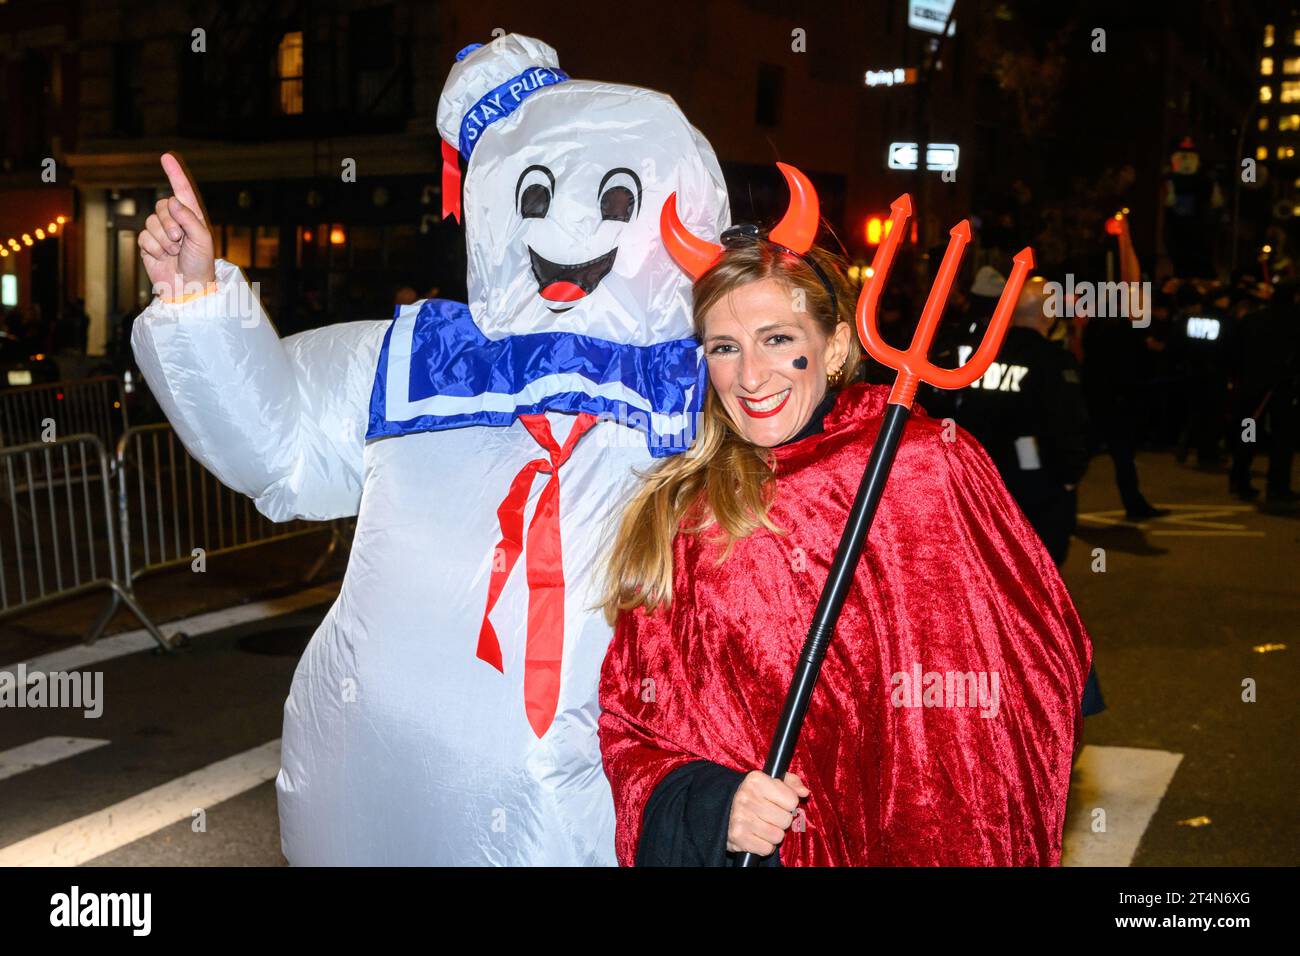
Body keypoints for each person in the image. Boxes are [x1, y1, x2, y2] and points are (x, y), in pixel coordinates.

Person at [129, 33, 731, 865]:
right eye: (537, 194)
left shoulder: (714, 394)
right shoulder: (418, 361)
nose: (567, 223)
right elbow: (279, 437)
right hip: (367, 801)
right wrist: (196, 297)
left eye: (617, 202)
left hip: (579, 817)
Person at [597, 169, 1092, 866]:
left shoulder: (922, 465)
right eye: (724, 347)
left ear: (832, 348)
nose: (751, 376)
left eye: (776, 338)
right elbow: (632, 722)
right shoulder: (680, 514)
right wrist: (715, 805)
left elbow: (1038, 656)